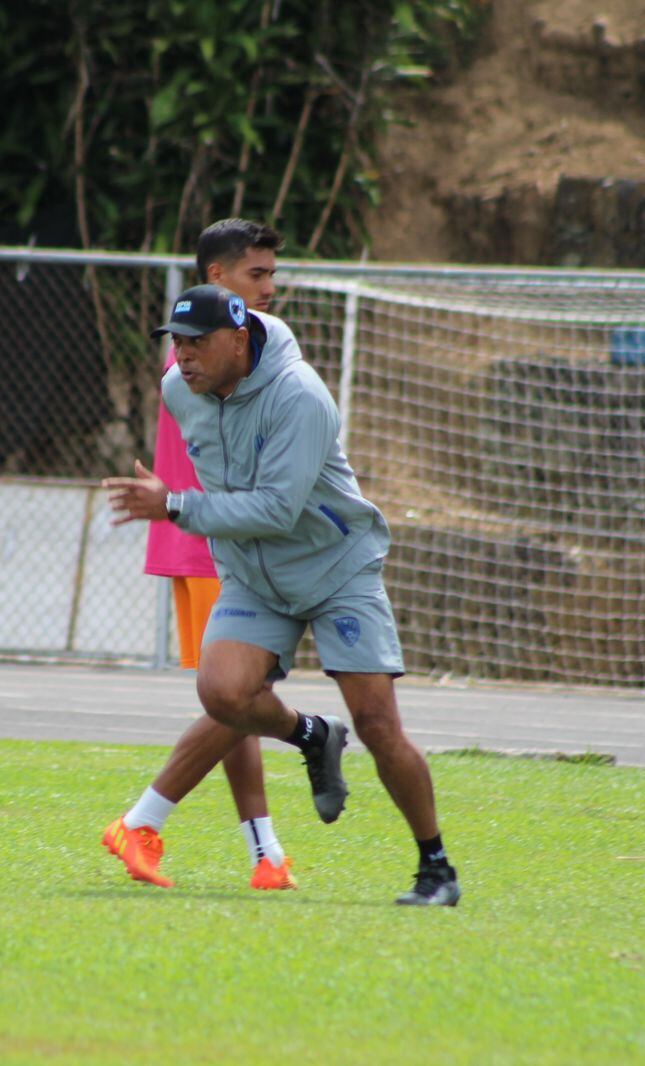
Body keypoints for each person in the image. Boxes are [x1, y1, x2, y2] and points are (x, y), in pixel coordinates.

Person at [103, 283, 460, 906]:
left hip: (334, 567)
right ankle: (313, 735)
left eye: (197, 342)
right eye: (177, 342)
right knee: (223, 692)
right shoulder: (178, 390)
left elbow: (276, 509)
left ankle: (436, 867)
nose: (183, 356)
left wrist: (176, 505)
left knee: (378, 725)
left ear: (240, 340)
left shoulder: (300, 395)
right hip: (254, 574)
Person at [107, 219, 296, 891]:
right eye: (256, 274)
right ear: (218, 277)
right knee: (239, 697)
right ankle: (141, 822)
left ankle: (266, 856)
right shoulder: (204, 364)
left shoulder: (238, 352)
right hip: (214, 546)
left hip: (216, 543)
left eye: (271, 274)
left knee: (240, 702)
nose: (269, 287)